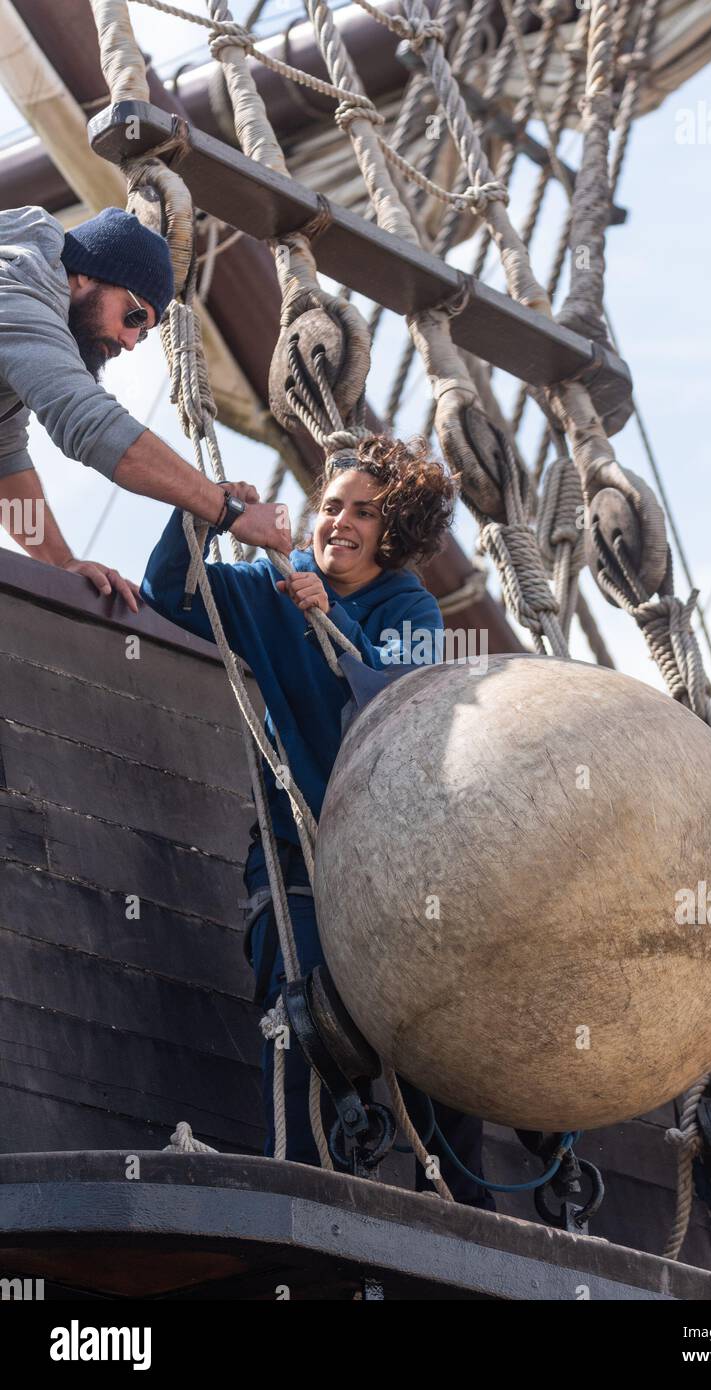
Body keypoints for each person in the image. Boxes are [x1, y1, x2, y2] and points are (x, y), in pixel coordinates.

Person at [142, 434, 495, 1209]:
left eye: (363, 513)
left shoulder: (408, 606)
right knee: (300, 1012)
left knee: (437, 1029)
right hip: (294, 850)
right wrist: (201, 513)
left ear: (392, 531)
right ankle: (306, 1193)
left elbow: (393, 696)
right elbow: (168, 593)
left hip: (392, 857)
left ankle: (464, 1212)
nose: (340, 522)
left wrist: (331, 616)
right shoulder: (273, 584)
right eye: (331, 507)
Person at [0, 205, 290, 610]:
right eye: (133, 315)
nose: (131, 341)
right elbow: (92, 426)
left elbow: (5, 463)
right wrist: (231, 513)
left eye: (144, 331)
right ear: (87, 274)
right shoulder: (16, 295)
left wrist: (60, 561)